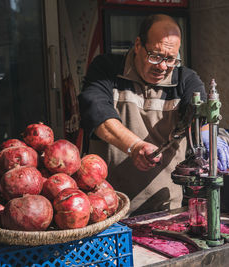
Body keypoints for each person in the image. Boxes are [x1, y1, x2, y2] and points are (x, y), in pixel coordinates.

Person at [78, 14, 207, 216]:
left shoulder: (185, 79)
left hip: (165, 208)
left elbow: (200, 114)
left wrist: (207, 136)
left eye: (170, 59)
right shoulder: (107, 70)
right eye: (155, 56)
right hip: (108, 207)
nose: (162, 66)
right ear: (138, 45)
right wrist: (135, 146)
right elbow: (96, 113)